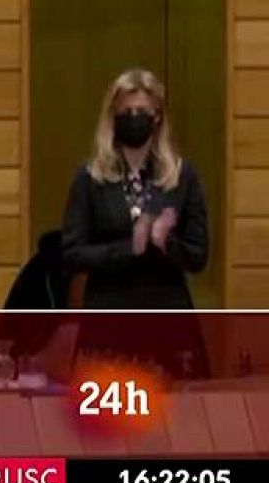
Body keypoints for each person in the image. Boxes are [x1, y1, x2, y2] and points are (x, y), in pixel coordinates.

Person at [61, 68, 207, 309]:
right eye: (126, 112)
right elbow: (72, 254)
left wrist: (166, 243)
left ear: (157, 116)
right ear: (112, 117)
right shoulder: (89, 178)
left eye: (141, 112)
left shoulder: (182, 176)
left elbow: (198, 256)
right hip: (107, 314)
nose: (134, 117)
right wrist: (128, 249)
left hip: (167, 314)